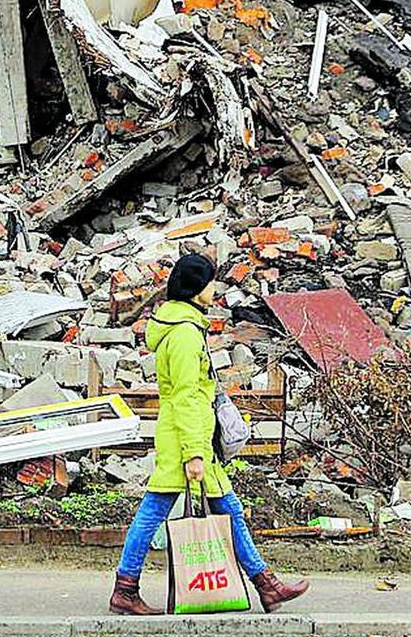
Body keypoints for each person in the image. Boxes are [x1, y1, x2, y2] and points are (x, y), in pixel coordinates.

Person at [109, 252, 310, 616]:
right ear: (195, 287)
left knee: (229, 511)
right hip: (187, 441)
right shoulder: (184, 334)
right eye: (209, 282)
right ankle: (125, 589)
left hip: (196, 438)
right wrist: (194, 454)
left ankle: (267, 586)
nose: (214, 289)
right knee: (153, 512)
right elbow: (186, 397)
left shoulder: (185, 326)